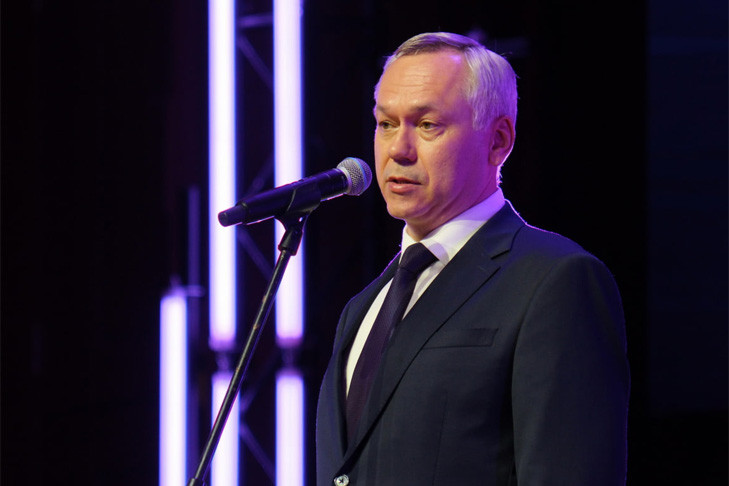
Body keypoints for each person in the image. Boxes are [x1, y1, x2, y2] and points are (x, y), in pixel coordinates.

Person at [316, 32, 629, 486]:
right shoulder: (362, 308)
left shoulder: (554, 281)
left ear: (498, 141)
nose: (398, 149)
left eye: (427, 125)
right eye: (386, 124)